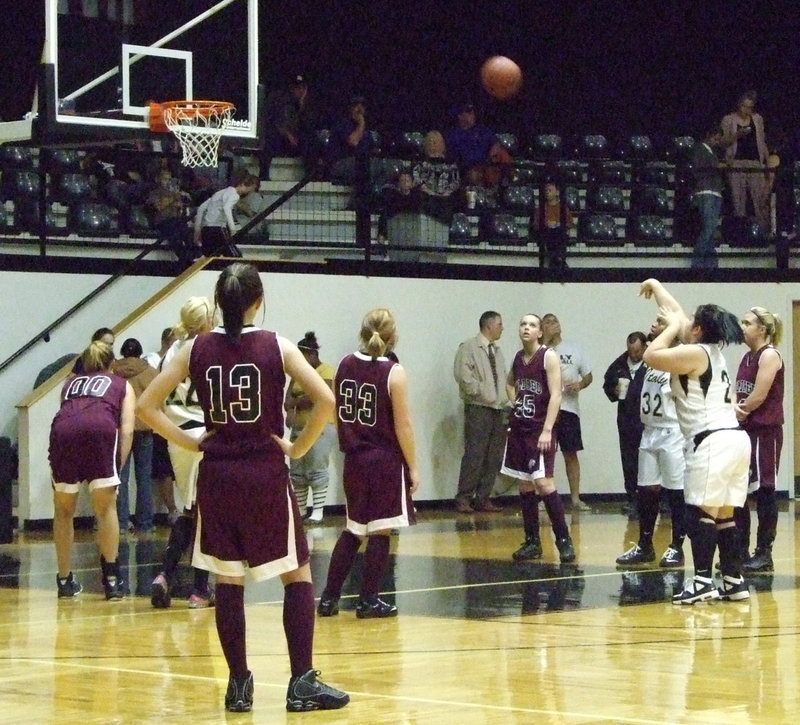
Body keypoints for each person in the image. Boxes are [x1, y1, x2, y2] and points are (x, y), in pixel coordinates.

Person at [136, 262, 349, 713]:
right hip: (265, 474)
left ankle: (238, 684)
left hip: (218, 475)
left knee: (228, 579)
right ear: (258, 301)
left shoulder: (192, 349)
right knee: (297, 574)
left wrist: (190, 438)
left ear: (218, 303)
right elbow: (326, 399)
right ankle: (301, 682)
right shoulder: (278, 345)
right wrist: (296, 447)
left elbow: (147, 406)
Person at [639, 278, 750, 604]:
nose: (685, 322)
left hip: (712, 439)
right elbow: (677, 312)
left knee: (699, 511)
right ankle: (733, 579)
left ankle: (702, 581)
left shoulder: (696, 353)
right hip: (733, 440)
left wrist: (670, 328)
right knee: (724, 514)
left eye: (690, 323)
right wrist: (656, 285)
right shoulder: (710, 351)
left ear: (698, 329)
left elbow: (651, 355)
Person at [317, 309, 419, 618]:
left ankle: (328, 598)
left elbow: (335, 411)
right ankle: (368, 599)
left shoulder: (344, 364)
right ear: (393, 337)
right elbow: (403, 426)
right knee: (381, 531)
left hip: (354, 460)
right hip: (383, 459)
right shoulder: (393, 372)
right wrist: (413, 467)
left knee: (353, 529)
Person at [49, 339, 134, 600]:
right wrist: (117, 465)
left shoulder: (69, 384)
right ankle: (111, 580)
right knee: (105, 508)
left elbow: (66, 413)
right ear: (112, 363)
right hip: (99, 432)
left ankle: (64, 580)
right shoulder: (121, 384)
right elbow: (128, 428)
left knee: (63, 510)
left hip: (63, 434)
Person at [150, 297, 217, 609]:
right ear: (205, 322)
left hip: (176, 435)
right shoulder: (211, 348)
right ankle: (200, 589)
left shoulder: (171, 353)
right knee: (207, 512)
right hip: (202, 431)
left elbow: (159, 399)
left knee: (187, 508)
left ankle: (165, 575)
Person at [502, 314, 575, 563]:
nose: (526, 328)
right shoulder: (517, 357)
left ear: (540, 333)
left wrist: (547, 429)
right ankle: (532, 541)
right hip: (520, 427)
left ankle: (563, 540)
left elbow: (556, 395)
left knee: (544, 483)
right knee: (525, 483)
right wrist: (515, 401)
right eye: (522, 324)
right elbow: (510, 383)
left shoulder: (548, 356)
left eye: (532, 325)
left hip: (539, 429)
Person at [616, 321, 687, 569]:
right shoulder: (650, 358)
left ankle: (677, 547)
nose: (653, 325)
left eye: (660, 322)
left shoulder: (680, 355)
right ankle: (645, 545)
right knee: (646, 490)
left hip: (672, 430)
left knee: (677, 491)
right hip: (649, 431)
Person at [735, 307, 784, 573]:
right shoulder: (746, 357)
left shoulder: (770, 355)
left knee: (765, 491)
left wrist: (736, 411)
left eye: (747, 323)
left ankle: (764, 552)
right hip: (746, 431)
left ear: (762, 329)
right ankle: (740, 550)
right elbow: (738, 391)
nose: (742, 326)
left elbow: (758, 396)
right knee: (740, 490)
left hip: (766, 431)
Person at [453, 311, 509, 513]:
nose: (503, 328)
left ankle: (483, 497)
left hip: (498, 409)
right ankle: (464, 497)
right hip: (479, 408)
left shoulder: (498, 351)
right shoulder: (468, 347)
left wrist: (503, 399)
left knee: (494, 455)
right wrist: (482, 393)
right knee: (474, 453)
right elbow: (463, 376)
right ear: (489, 326)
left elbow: (503, 377)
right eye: (500, 324)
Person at [541, 313, 593, 510]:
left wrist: (579, 385)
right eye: (548, 322)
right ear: (542, 328)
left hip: (569, 408)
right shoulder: (541, 350)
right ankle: (544, 498)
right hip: (546, 410)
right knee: (546, 454)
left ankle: (576, 499)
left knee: (570, 453)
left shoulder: (574, 348)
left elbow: (588, 376)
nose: (553, 324)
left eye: (556, 321)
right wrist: (545, 341)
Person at [284, 331, 336, 524]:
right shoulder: (297, 374)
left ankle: (319, 510)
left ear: (312, 354)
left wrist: (295, 402)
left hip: (321, 428)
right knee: (297, 471)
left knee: (317, 468)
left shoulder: (326, 371)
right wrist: (295, 404)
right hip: (298, 428)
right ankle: (300, 509)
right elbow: (287, 400)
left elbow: (320, 397)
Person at [111, 338, 157, 536]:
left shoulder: (113, 371)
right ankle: (145, 522)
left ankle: (121, 522)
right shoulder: (150, 371)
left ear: (122, 352)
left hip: (121, 428)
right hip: (145, 428)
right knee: (144, 477)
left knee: (121, 476)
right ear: (140, 352)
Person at [602, 331, 647, 517]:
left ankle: (662, 502)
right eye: (630, 351)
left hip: (648, 421)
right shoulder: (620, 364)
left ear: (644, 347)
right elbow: (607, 384)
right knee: (629, 461)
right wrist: (614, 391)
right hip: (626, 420)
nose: (633, 355)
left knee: (650, 462)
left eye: (637, 351)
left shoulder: (654, 362)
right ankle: (632, 500)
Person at [144, 327, 180, 527]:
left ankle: (189, 508)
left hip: (177, 421)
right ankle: (172, 509)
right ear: (167, 340)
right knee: (164, 470)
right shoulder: (151, 361)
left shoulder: (179, 360)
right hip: (160, 423)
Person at [720, 90, 769, 231]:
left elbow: (762, 141)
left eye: (750, 107)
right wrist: (737, 135)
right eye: (745, 106)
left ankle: (763, 231)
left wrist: (766, 162)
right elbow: (723, 142)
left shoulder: (758, 119)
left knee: (760, 198)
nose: (747, 110)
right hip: (737, 162)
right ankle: (739, 231)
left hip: (755, 162)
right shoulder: (729, 120)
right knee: (738, 199)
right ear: (739, 105)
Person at [262, 73, 318, 179]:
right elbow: (273, 121)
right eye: (297, 88)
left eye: (302, 88)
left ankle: (311, 175)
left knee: (311, 140)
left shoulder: (307, 105)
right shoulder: (279, 100)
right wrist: (287, 134)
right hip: (281, 141)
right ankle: (264, 175)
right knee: (270, 138)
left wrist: (302, 108)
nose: (300, 91)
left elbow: (309, 126)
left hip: (298, 143)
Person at [192, 171, 259, 257]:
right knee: (235, 256)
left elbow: (201, 208)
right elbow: (227, 208)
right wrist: (232, 229)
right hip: (218, 228)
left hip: (206, 229)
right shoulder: (235, 195)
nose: (248, 192)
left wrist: (197, 231)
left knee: (210, 257)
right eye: (250, 189)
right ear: (243, 184)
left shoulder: (219, 193)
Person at [689, 125, 725, 270]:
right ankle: (699, 262)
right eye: (715, 138)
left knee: (710, 228)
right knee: (709, 228)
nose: (717, 142)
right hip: (706, 191)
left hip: (714, 191)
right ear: (709, 136)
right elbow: (700, 168)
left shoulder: (711, 152)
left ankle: (710, 264)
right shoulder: (699, 150)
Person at [146, 168, 198, 265]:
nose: (168, 182)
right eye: (165, 179)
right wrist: (174, 197)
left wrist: (182, 200)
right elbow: (159, 206)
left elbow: (182, 206)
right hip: (163, 221)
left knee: (187, 232)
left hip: (176, 220)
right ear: (158, 179)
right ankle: (184, 259)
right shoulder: (154, 193)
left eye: (169, 179)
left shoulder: (174, 193)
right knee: (175, 236)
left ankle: (193, 255)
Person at [444, 102, 496, 179]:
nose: (468, 116)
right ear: (459, 116)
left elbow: (495, 148)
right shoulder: (452, 135)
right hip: (461, 173)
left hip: (485, 172)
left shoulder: (484, 132)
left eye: (471, 112)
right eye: (464, 113)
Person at [531, 181, 575, 270]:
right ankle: (557, 259)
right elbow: (536, 225)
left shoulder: (563, 208)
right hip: (546, 234)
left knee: (558, 234)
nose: (547, 192)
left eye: (550, 190)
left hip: (559, 233)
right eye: (546, 190)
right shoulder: (540, 209)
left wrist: (557, 224)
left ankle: (555, 259)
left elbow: (569, 223)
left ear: (557, 192)